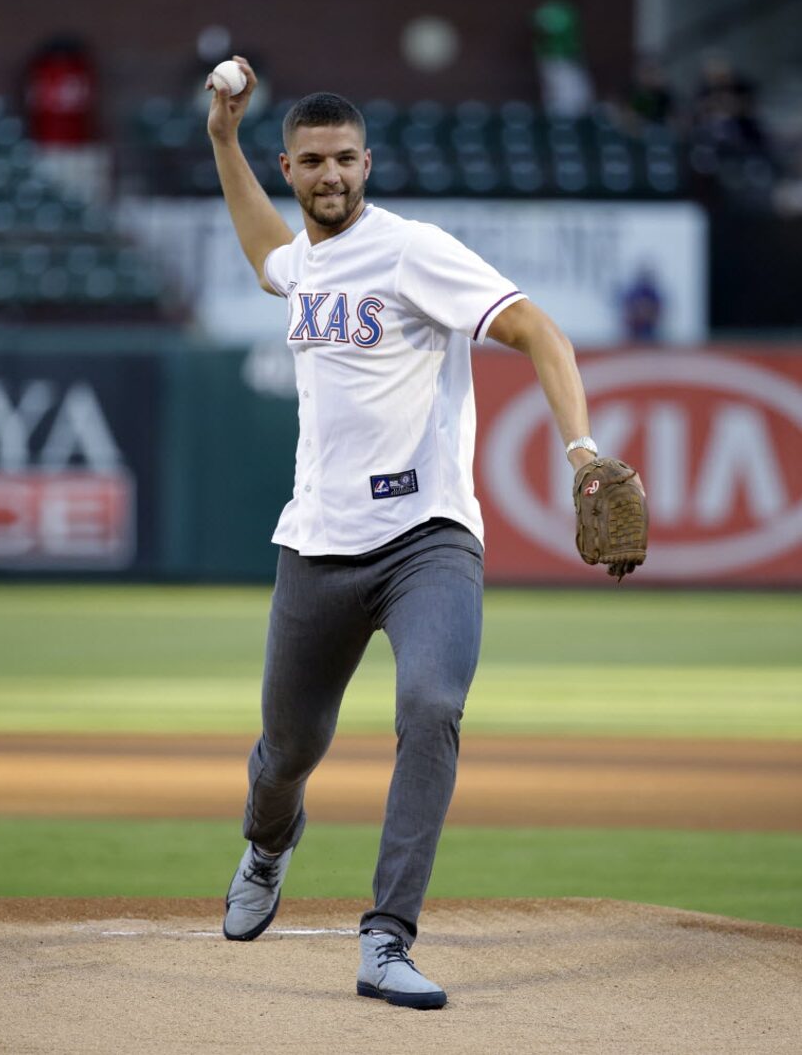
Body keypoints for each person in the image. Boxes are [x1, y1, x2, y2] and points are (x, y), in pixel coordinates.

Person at [207, 57, 598, 1010]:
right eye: (310, 161)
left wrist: (583, 454)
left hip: (428, 538)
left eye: (345, 158)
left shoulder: (413, 250)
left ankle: (387, 937)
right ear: (290, 169)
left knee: (431, 704)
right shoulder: (302, 264)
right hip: (315, 544)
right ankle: (268, 842)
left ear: (368, 163)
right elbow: (268, 250)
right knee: (288, 749)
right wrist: (222, 136)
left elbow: (541, 331)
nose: (329, 174)